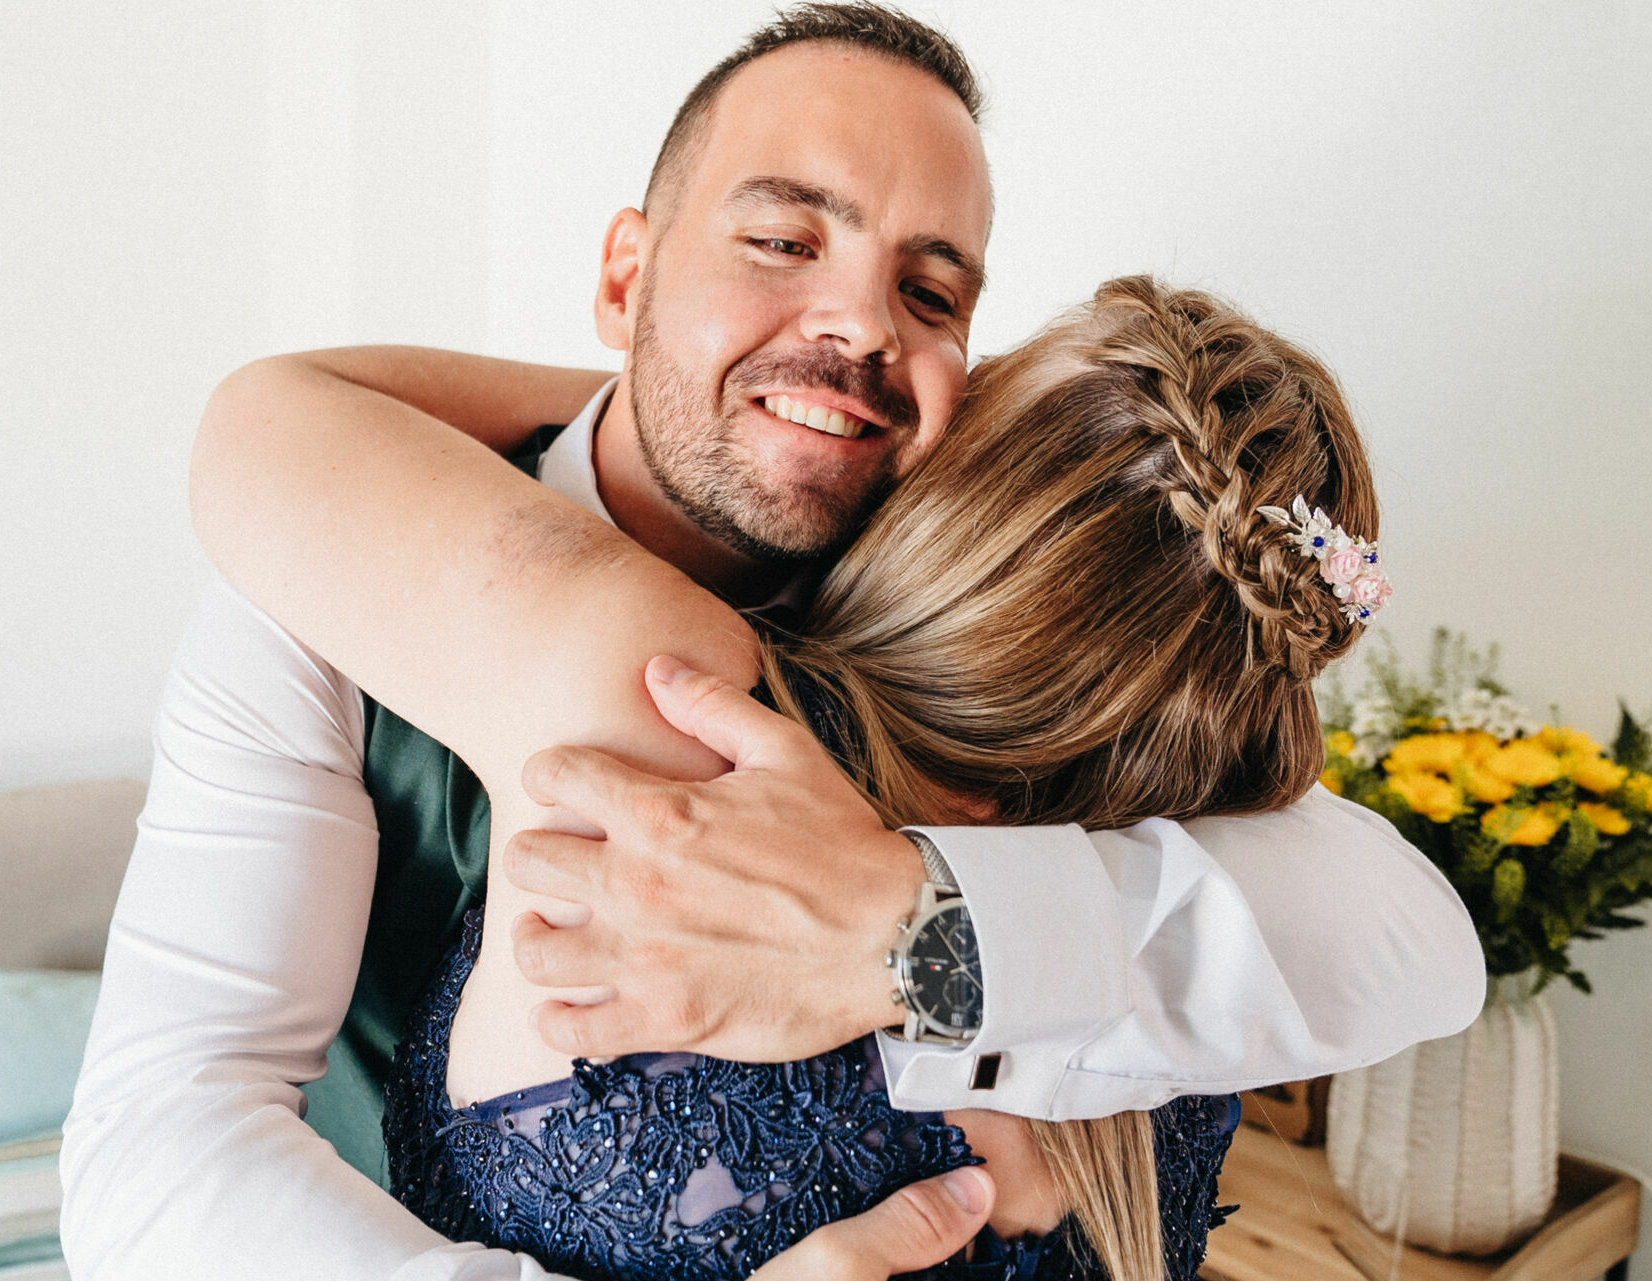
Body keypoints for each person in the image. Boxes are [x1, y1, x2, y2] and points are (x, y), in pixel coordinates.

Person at [61, 7, 1483, 1279]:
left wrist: (921, 926)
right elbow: (157, 1154)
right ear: (626, 280)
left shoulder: (985, 632)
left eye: (931, 294)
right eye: (783, 242)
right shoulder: (311, 578)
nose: (859, 323)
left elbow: (1402, 931)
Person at [191, 274, 1391, 1281]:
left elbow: (277, 414)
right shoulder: (1225, 912)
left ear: (961, 476)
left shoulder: (670, 706)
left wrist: (736, 404)